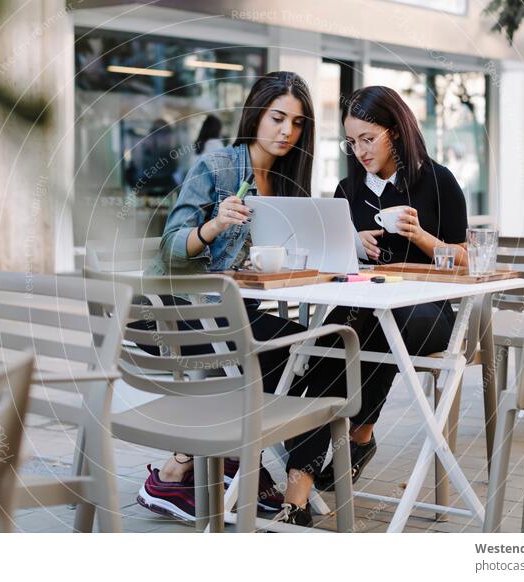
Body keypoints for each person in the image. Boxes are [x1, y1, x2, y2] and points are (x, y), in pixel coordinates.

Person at [137, 71, 321, 526]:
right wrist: (215, 226)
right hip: (175, 313)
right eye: (278, 118)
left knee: (318, 351)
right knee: (270, 357)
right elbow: (171, 245)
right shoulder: (218, 167)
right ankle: (196, 465)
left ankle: (234, 468)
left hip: (230, 316)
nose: (286, 132)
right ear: (256, 114)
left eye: (297, 124)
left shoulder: (288, 183)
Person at [284, 85, 469, 511]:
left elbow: (465, 259)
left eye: (368, 138)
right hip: (366, 309)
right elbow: (333, 257)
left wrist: (420, 236)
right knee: (351, 327)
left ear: (397, 132)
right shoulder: (348, 189)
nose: (360, 150)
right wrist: (353, 245)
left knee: (361, 325)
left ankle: (348, 431)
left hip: (429, 312)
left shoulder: (437, 182)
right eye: (352, 142)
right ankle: (303, 483)